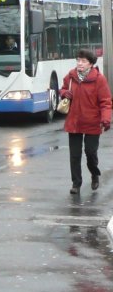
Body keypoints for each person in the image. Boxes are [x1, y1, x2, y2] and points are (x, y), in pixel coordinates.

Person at [59, 48, 112, 194]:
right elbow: (62, 89)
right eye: (78, 60)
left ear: (91, 64)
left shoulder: (99, 79)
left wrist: (106, 119)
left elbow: (106, 101)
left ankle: (95, 173)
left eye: (83, 61)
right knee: (74, 155)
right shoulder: (71, 76)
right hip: (74, 121)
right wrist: (64, 93)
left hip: (92, 122)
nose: (79, 63)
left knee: (90, 153)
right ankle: (76, 184)